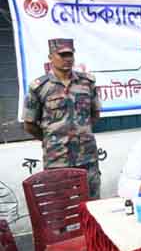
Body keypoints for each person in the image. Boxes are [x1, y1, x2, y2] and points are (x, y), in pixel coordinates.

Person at [23, 38, 102, 199]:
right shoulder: (39, 87)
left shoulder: (87, 83)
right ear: (51, 57)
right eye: (62, 55)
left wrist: (81, 133)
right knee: (61, 209)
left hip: (87, 158)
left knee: (92, 206)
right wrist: (51, 139)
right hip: (57, 161)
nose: (67, 59)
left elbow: (95, 114)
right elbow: (30, 124)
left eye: (70, 55)